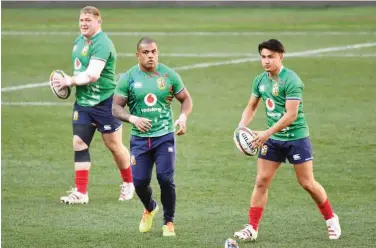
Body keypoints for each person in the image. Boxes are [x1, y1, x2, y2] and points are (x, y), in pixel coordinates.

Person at [233, 39, 341, 241]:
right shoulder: (260, 80)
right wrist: (241, 127)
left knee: (307, 183)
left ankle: (330, 218)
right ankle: (252, 228)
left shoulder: (292, 80)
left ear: (281, 56)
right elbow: (251, 107)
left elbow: (291, 115)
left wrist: (265, 133)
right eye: (263, 57)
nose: (266, 61)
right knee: (261, 181)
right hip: (273, 139)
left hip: (296, 138)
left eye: (270, 57)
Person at [51, 6, 134, 204]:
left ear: (98, 22)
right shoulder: (79, 42)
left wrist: (69, 81)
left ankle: (129, 183)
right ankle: (81, 192)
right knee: (79, 143)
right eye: (81, 20)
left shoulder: (103, 44)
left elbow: (93, 74)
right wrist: (69, 83)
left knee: (113, 145)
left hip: (106, 102)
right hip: (83, 104)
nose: (84, 24)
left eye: (88, 20)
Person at [112, 37, 193, 237]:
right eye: (146, 52)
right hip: (140, 139)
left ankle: (169, 222)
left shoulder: (169, 75)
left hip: (164, 135)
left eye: (154, 52)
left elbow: (186, 99)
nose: (151, 56)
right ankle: (150, 207)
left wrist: (182, 118)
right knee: (139, 182)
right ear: (138, 55)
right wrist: (133, 118)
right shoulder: (128, 77)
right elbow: (115, 107)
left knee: (165, 179)